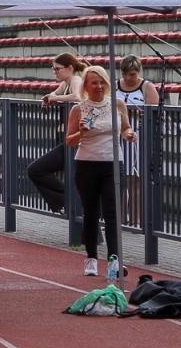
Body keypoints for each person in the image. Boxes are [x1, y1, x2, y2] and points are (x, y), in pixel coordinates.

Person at [66, 65, 135, 276]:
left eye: (102, 82)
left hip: (113, 163)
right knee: (91, 212)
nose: (98, 86)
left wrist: (129, 134)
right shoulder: (79, 109)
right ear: (86, 85)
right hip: (87, 163)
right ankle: (91, 258)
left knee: (113, 213)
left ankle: (114, 259)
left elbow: (125, 128)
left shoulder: (118, 104)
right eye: (94, 82)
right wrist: (81, 132)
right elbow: (69, 141)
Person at [26, 52, 86, 214]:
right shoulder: (66, 82)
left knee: (36, 170)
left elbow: (78, 97)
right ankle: (68, 202)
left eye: (57, 69)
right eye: (53, 69)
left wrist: (55, 99)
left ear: (70, 68)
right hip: (65, 137)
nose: (55, 72)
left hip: (75, 139)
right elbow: (53, 94)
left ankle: (69, 202)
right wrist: (48, 98)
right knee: (38, 171)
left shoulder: (75, 79)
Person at [114, 55, 159, 226]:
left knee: (135, 179)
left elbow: (153, 114)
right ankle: (119, 217)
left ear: (138, 72)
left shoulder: (146, 87)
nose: (128, 78)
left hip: (138, 137)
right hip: (118, 135)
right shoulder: (115, 86)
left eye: (132, 74)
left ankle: (135, 218)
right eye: (125, 74)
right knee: (119, 177)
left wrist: (139, 113)